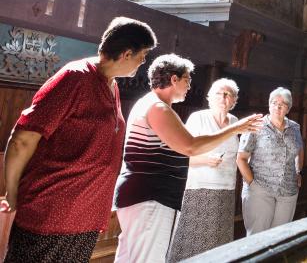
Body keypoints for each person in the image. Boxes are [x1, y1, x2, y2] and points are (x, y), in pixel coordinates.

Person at [0, 17, 157, 262]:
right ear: (127, 53)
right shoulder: (75, 78)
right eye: (143, 55)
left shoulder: (111, 85)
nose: (144, 61)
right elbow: (23, 138)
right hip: (51, 212)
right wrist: (11, 192)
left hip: (85, 216)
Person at [112, 55, 263, 263]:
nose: (190, 86)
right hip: (150, 197)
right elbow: (190, 146)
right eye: (187, 80)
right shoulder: (157, 107)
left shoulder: (154, 105)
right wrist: (235, 129)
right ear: (174, 79)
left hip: (145, 194)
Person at [167, 78, 242, 262]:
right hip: (199, 189)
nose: (224, 98)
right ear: (210, 97)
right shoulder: (198, 118)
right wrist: (206, 160)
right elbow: (182, 155)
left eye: (228, 94)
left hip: (226, 190)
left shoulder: (235, 121)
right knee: (192, 239)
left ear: (234, 100)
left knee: (219, 240)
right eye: (219, 93)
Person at [237, 87, 303, 236]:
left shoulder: (295, 128)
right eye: (274, 103)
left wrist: (299, 171)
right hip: (260, 189)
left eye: (283, 104)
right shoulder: (256, 125)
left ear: (288, 108)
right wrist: (252, 184)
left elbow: (299, 150)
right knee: (257, 238)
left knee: (279, 238)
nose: (278, 106)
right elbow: (241, 159)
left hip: (288, 191)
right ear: (269, 105)